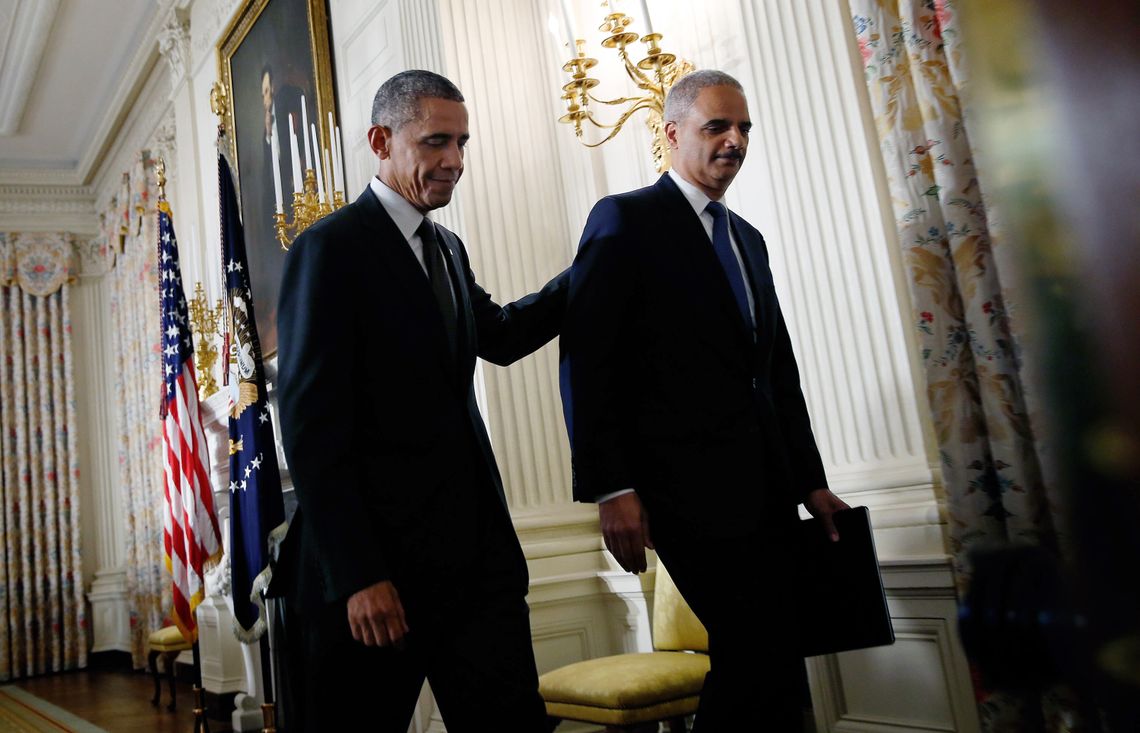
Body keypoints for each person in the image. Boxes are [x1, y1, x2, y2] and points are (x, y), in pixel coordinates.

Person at [271, 70, 566, 732]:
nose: (455, 162)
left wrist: (596, 266)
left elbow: (506, 335)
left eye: (463, 143)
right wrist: (359, 574)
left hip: (477, 567)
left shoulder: (448, 248)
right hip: (380, 582)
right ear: (381, 139)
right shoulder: (330, 248)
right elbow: (313, 427)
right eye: (437, 142)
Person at [559, 69, 849, 731]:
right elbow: (588, 360)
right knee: (753, 650)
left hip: (768, 490)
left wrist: (811, 482)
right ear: (670, 133)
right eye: (716, 126)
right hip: (682, 495)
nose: (734, 140)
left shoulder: (748, 238)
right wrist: (612, 487)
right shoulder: (624, 219)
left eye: (743, 127)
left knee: (771, 661)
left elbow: (776, 372)